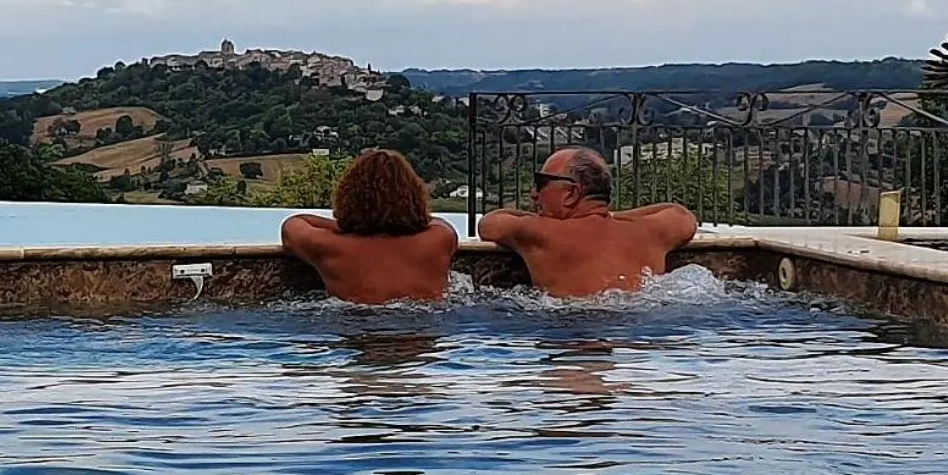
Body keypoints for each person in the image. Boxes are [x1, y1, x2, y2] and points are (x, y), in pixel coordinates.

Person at [477, 146, 698, 298]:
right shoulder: (651, 231)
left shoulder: (540, 232)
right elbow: (680, 214)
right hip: (637, 335)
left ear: (571, 194)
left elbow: (490, 223)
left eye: (541, 183)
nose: (534, 194)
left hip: (571, 330)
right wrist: (607, 216)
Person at [281, 149, 459, 304]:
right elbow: (433, 221)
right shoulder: (440, 239)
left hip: (361, 334)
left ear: (348, 196)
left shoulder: (329, 246)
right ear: (414, 194)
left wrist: (348, 225)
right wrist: (404, 216)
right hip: (420, 334)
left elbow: (293, 224)